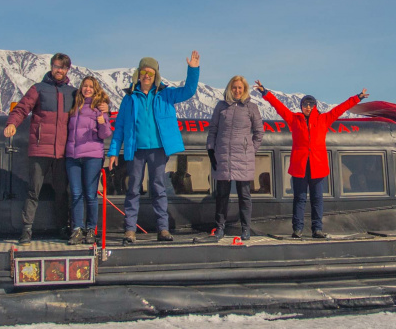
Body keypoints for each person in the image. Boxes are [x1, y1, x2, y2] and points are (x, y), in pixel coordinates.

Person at [105, 52, 201, 244]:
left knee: (159, 188)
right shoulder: (130, 98)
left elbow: (189, 90)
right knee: (133, 188)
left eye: (150, 72)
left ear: (156, 75)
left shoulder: (166, 95)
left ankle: (163, 229)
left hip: (158, 150)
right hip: (136, 150)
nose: (147, 75)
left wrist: (193, 69)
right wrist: (114, 151)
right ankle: (130, 230)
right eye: (143, 72)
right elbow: (120, 127)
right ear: (138, 74)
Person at [256, 82, 368, 238]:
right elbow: (279, 107)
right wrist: (265, 92)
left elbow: (340, 109)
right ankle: (297, 229)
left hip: (317, 166)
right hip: (300, 166)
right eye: (305, 105)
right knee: (299, 198)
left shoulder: (324, 119)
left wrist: (357, 98)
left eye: (311, 104)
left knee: (317, 199)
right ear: (301, 106)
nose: (308, 107)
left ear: (315, 106)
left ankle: (317, 229)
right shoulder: (294, 120)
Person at [4, 53, 77, 243]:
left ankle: (63, 227)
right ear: (51, 67)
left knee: (62, 192)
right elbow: (21, 109)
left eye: (62, 67)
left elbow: (86, 112)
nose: (59, 70)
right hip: (39, 149)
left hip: (62, 152)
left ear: (68, 70)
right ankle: (26, 230)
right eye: (56, 66)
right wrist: (12, 123)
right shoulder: (38, 89)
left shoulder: (72, 93)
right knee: (33, 191)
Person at [207, 75, 265, 239]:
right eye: (234, 87)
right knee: (221, 195)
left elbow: (259, 132)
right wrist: (211, 151)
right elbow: (213, 130)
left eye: (240, 88)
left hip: (243, 158)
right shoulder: (221, 106)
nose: (237, 91)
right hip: (223, 156)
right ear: (229, 89)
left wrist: (251, 150)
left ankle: (245, 228)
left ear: (244, 89)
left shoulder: (251, 107)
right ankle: (219, 228)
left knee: (244, 195)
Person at [65, 77, 112, 245]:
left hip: (92, 155)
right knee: (76, 193)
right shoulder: (74, 106)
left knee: (90, 194)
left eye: (91, 86)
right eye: (84, 86)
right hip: (73, 155)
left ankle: (91, 229)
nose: (87, 89)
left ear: (95, 89)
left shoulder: (100, 107)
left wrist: (103, 122)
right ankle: (77, 229)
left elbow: (105, 134)